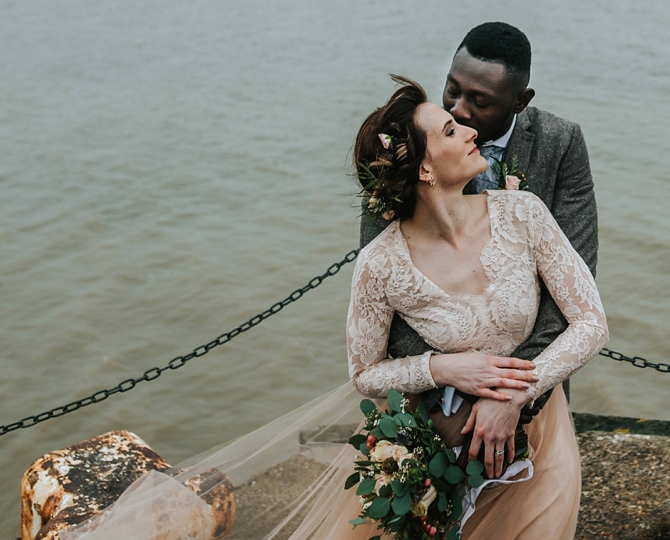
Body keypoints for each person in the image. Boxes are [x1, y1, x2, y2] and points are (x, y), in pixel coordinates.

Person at [62, 76, 606, 540]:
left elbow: (591, 322)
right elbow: (364, 373)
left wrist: (515, 394)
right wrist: (442, 367)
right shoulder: (381, 265)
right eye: (448, 129)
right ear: (422, 169)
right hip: (442, 447)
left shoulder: (524, 213)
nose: (469, 130)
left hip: (539, 436)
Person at [362, 22, 598, 411]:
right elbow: (387, 289)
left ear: (519, 101)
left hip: (534, 382)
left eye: (480, 101)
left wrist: (509, 391)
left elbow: (574, 282)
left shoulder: (561, 142)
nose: (458, 109)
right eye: (452, 89)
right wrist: (451, 383)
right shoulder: (409, 139)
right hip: (432, 400)